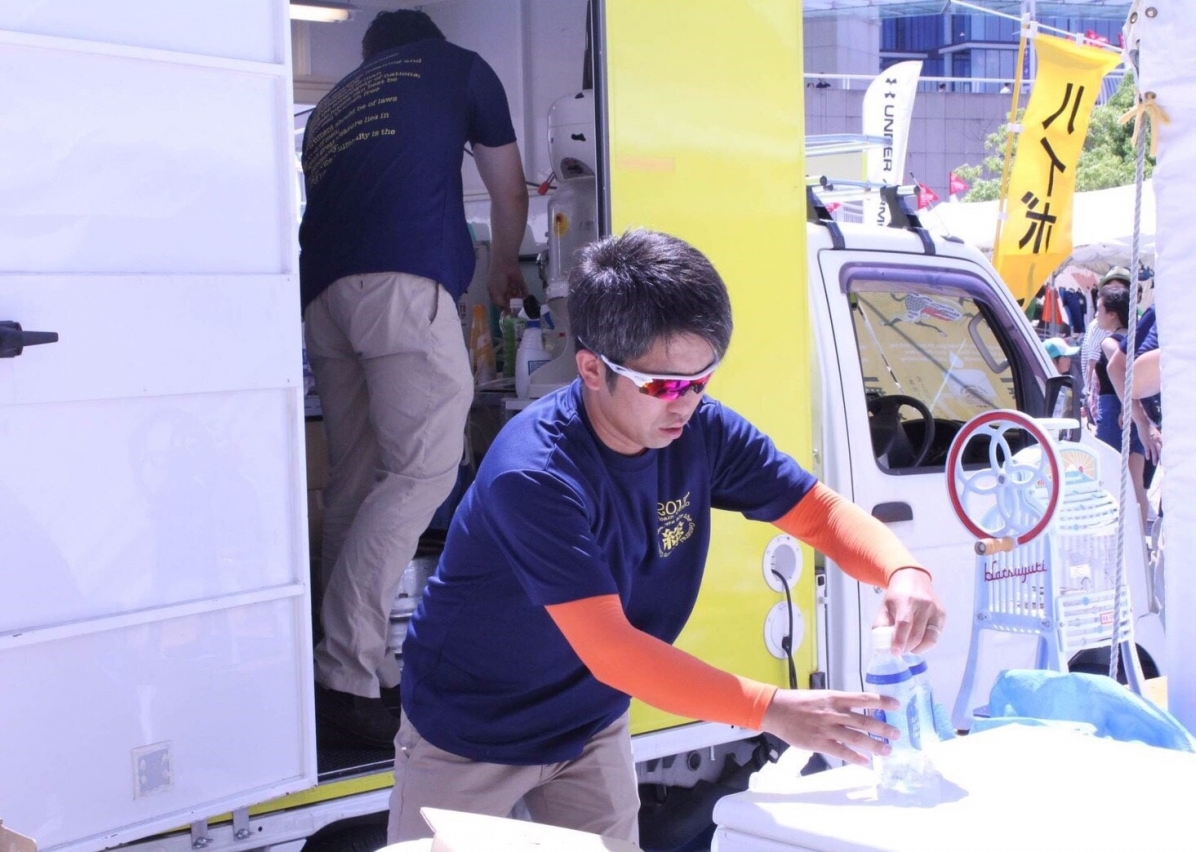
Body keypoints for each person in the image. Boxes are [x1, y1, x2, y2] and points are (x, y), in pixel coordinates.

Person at [387, 230, 946, 844]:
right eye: (664, 385)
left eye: (702, 380)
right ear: (592, 368)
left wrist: (903, 571)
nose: (686, 403)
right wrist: (772, 709)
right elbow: (613, 649)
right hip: (470, 728)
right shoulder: (536, 473)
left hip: (589, 720)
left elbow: (818, 513)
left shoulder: (702, 430)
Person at [299, 9, 530, 747]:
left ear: (371, 55)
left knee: (354, 480)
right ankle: (346, 670)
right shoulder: (457, 67)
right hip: (401, 285)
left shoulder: (332, 107)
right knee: (421, 472)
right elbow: (509, 192)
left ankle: (350, 667)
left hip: (322, 298)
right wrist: (504, 265)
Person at [1093, 281, 1152, 525]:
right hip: (1139, 410)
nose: (1096, 314)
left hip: (1116, 411)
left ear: (1112, 314)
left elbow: (1122, 372)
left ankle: (1116, 532)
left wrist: (1125, 406)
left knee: (1110, 476)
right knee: (1136, 482)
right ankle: (1139, 536)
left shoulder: (1110, 342)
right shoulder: (1138, 339)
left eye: (1099, 309)